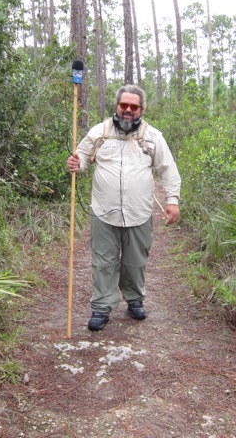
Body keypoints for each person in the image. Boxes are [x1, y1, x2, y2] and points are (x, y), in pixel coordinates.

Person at [66, 84, 181, 331]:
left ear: (141, 109)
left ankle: (134, 298)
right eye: (124, 105)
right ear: (116, 105)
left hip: (139, 212)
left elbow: (167, 169)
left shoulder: (153, 137)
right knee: (103, 262)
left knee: (135, 262)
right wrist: (77, 163)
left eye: (134, 106)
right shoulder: (100, 132)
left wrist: (172, 201)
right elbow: (83, 156)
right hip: (103, 212)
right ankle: (101, 306)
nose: (128, 110)